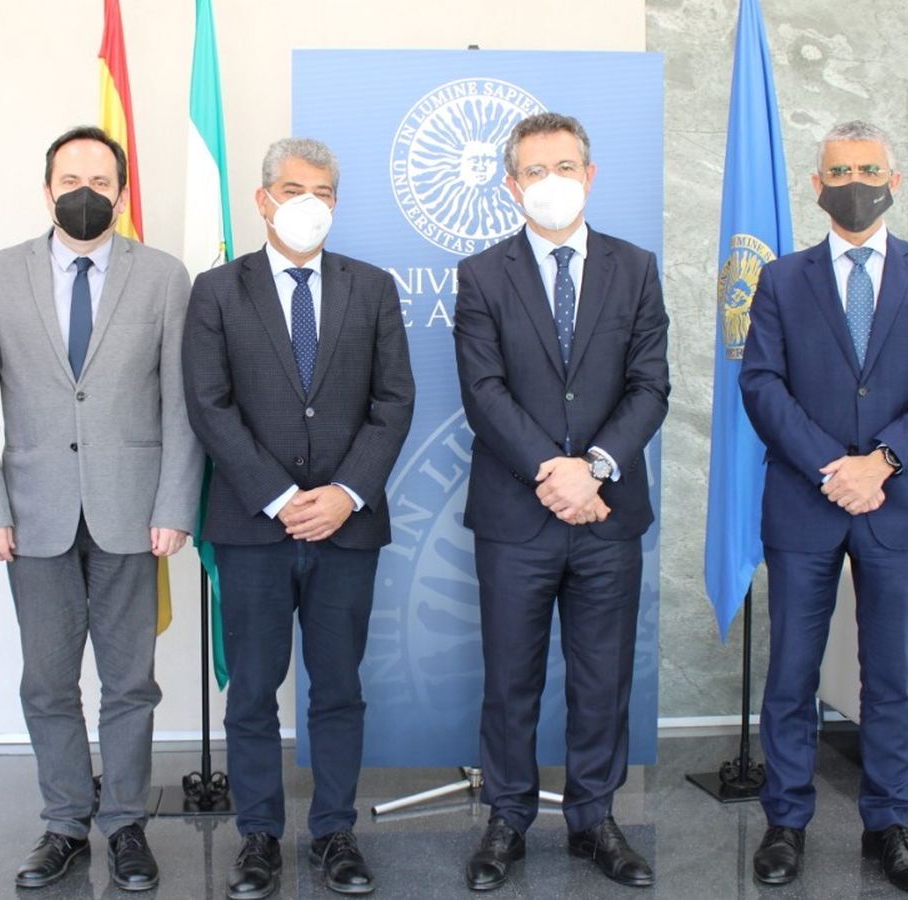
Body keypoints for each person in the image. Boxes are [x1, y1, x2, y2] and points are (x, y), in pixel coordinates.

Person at [0, 125, 201, 893]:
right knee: (48, 681)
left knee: (131, 682)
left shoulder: (164, 277)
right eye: (70, 179)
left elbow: (181, 404)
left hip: (135, 511)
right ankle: (65, 822)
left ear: (122, 193)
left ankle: (125, 821)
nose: (84, 192)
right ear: (47, 189)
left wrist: (176, 503)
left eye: (100, 180)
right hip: (31, 517)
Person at [740, 119, 908, 895]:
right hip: (806, 502)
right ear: (817, 185)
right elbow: (761, 384)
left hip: (899, 499)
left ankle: (889, 825)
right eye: (838, 171)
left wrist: (882, 462)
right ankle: (785, 822)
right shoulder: (780, 279)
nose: (854, 182)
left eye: (868, 169)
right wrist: (829, 467)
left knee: (891, 676)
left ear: (894, 178)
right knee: (792, 672)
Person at [182, 137, 414, 899]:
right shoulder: (217, 291)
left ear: (336, 204)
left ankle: (335, 832)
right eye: (290, 188)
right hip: (253, 527)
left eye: (320, 189)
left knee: (338, 687)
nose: (305, 201)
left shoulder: (372, 288)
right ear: (262, 199)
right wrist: (282, 497)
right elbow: (209, 406)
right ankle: (257, 837)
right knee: (251, 688)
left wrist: (345, 492)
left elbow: (393, 401)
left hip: (347, 526)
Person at [452, 111, 669, 891]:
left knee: (601, 676)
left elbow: (651, 385)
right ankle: (506, 819)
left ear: (591, 174)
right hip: (517, 514)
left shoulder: (635, 268)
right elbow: (485, 393)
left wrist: (596, 469)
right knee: (510, 677)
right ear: (512, 185)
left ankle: (594, 819)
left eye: (565, 167)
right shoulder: (481, 275)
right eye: (535, 171)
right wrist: (556, 471)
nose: (552, 182)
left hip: (608, 516)